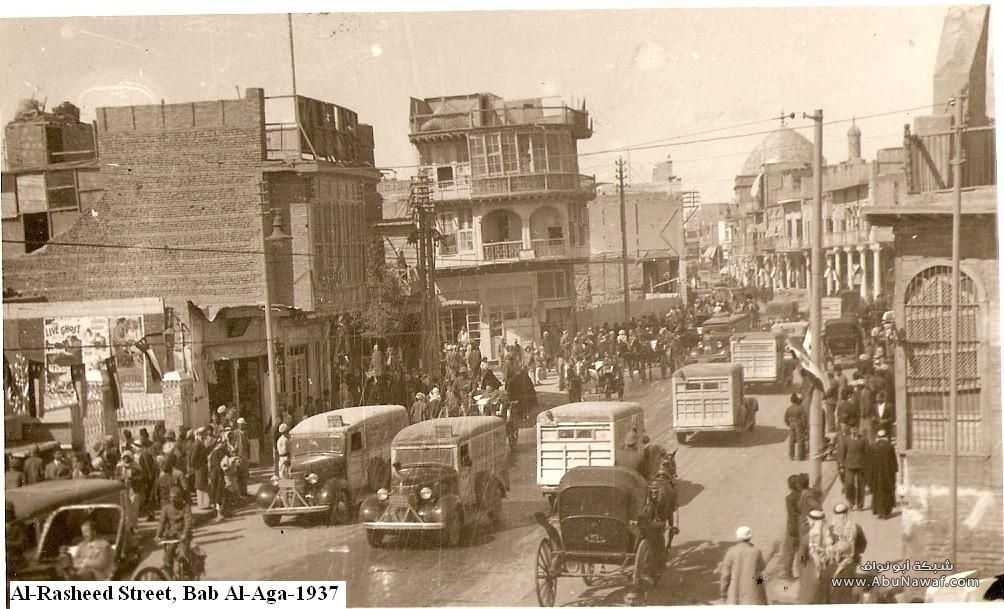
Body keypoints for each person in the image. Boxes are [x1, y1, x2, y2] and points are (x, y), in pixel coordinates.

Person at [719, 526, 767, 605]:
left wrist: (723, 591)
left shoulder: (731, 552)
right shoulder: (756, 551)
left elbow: (725, 575)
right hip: (754, 596)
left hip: (735, 595)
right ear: (750, 537)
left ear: (737, 537)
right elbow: (762, 567)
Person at [798, 509, 834, 604]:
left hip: (811, 572)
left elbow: (801, 558)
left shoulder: (806, 538)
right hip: (826, 571)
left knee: (810, 597)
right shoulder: (829, 536)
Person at [156, 486, 193, 578]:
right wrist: (158, 535)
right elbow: (162, 523)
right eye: (171, 498)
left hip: (183, 536)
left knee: (183, 555)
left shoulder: (185, 507)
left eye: (175, 498)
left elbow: (188, 522)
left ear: (180, 497)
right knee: (167, 558)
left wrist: (185, 534)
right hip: (171, 536)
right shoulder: (166, 508)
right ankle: (168, 577)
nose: (172, 500)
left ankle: (187, 573)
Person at [868, 430, 898, 519]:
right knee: (887, 491)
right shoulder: (889, 447)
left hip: (876, 474)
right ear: (885, 437)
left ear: (877, 437)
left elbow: (870, 463)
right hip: (887, 474)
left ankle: (879, 511)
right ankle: (886, 511)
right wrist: (894, 473)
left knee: (877, 492)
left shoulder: (872, 447)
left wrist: (870, 476)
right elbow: (893, 462)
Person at [780, 474, 804, 580]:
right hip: (803, 525)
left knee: (789, 551)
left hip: (793, 526)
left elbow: (791, 514)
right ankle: (803, 572)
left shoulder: (789, 498)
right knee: (801, 550)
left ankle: (788, 573)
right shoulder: (804, 495)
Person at [838, 427, 869, 511]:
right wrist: (841, 466)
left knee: (861, 486)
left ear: (858, 429)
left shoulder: (863, 439)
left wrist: (867, 466)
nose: (854, 431)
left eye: (855, 429)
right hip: (849, 465)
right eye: (852, 429)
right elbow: (842, 453)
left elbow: (867, 453)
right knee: (849, 484)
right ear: (850, 430)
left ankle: (860, 505)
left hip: (861, 466)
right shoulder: (846, 439)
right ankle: (851, 502)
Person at [784, 393, 807, 461]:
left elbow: (785, 419)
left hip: (791, 424)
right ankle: (801, 457)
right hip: (799, 424)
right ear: (797, 400)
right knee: (800, 440)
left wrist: (789, 424)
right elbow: (803, 419)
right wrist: (804, 427)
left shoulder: (789, 409)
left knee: (791, 441)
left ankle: (792, 456)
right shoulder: (801, 408)